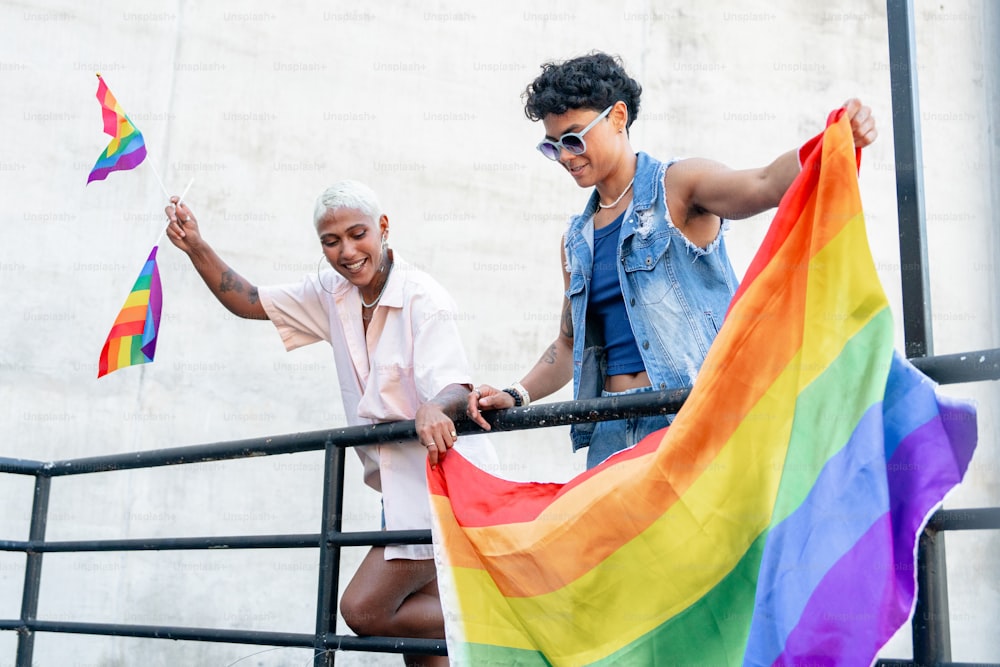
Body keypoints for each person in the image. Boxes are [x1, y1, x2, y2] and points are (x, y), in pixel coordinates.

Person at [466, 51, 877, 469]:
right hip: (610, 429)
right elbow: (570, 344)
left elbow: (763, 183)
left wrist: (834, 141)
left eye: (573, 138)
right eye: (552, 147)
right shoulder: (577, 238)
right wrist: (516, 394)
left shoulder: (677, 187)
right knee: (617, 539)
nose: (566, 156)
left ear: (617, 116)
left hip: (689, 417)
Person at [164, 179, 496, 667]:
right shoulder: (331, 292)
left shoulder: (423, 297)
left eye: (358, 234)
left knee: (366, 609)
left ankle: (500, 619)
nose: (347, 251)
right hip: (396, 493)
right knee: (420, 649)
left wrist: (433, 407)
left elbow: (456, 386)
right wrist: (195, 245)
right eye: (331, 241)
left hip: (443, 487)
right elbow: (249, 300)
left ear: (383, 228)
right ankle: (497, 622)